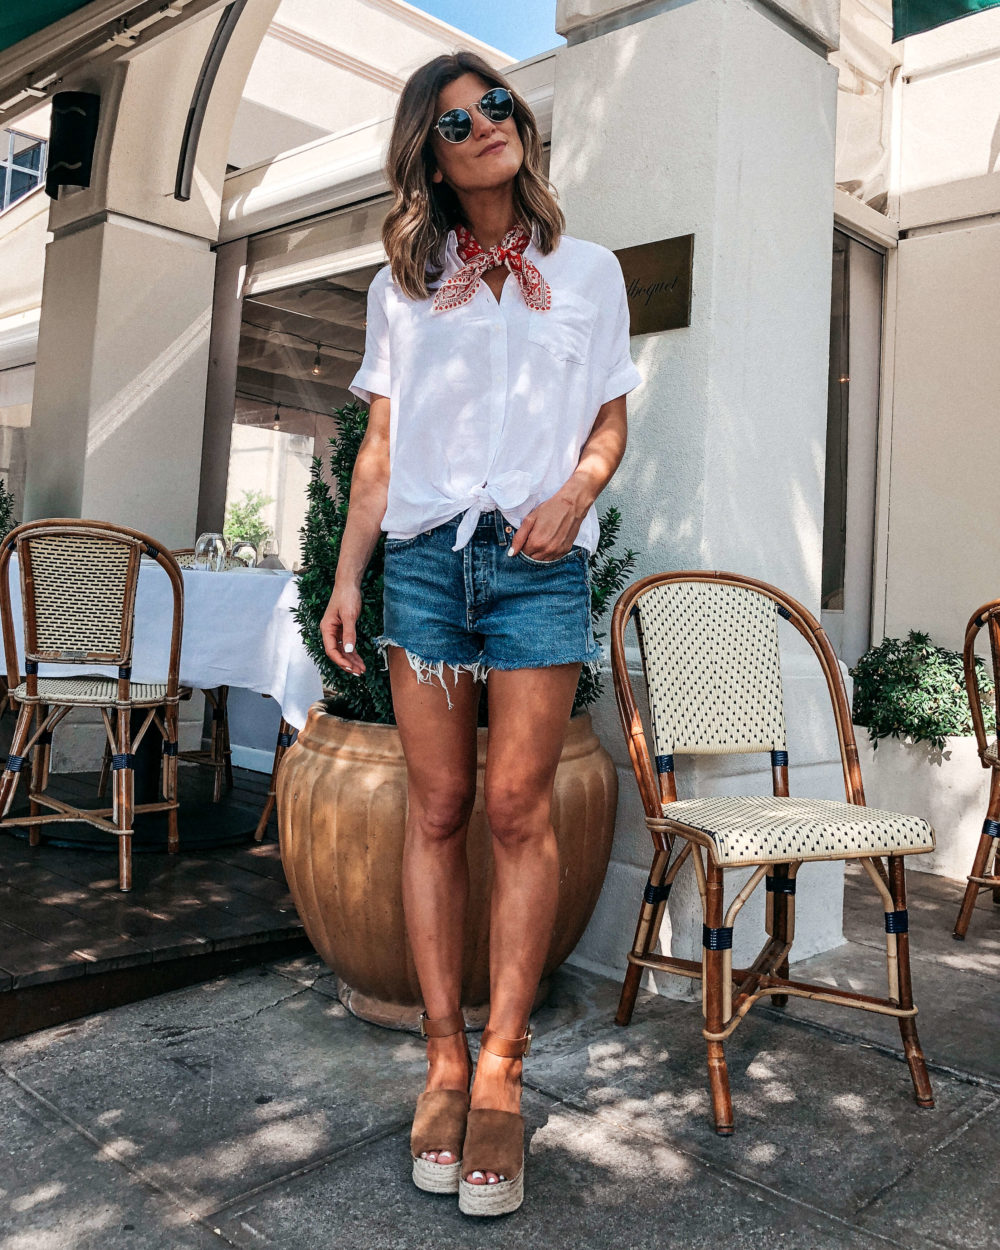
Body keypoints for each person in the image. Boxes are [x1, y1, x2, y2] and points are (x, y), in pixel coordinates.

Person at [320, 50, 641, 1218]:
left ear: (520, 123)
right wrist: (347, 578)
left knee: (516, 808)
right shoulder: (401, 284)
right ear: (430, 153)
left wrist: (576, 490)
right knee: (438, 805)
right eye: (454, 120)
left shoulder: (590, 271)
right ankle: (444, 1057)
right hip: (421, 567)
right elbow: (380, 451)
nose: (482, 125)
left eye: (495, 103)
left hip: (539, 568)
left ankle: (501, 1066)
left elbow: (608, 415)